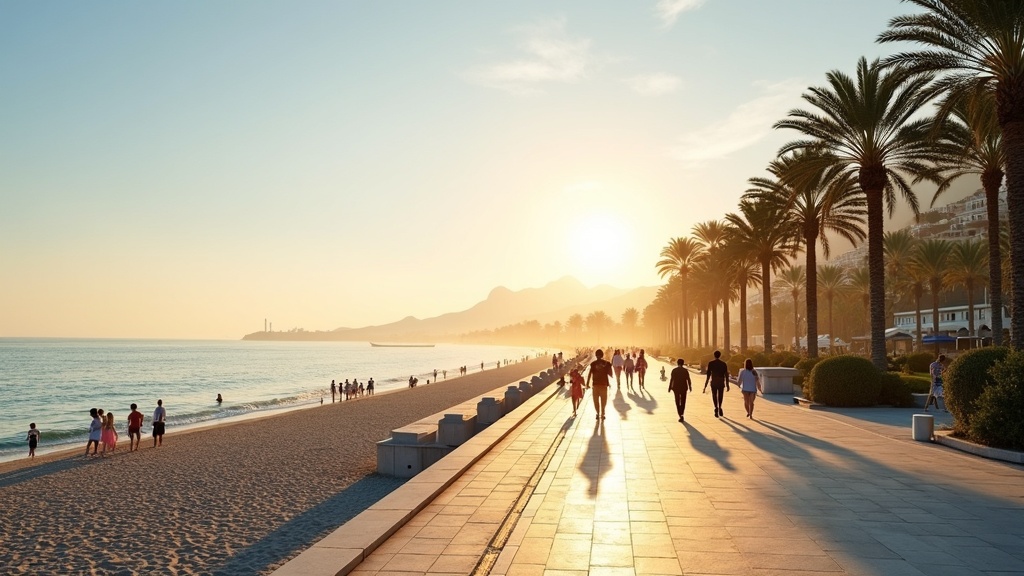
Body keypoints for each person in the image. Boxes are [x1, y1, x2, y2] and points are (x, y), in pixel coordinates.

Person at [585, 349, 613, 420]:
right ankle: (602, 414)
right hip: (603, 385)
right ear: (602, 355)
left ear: (596, 355)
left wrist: (587, 383)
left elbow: (589, 374)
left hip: (595, 385)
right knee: (604, 401)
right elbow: (610, 373)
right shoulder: (606, 363)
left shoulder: (593, 364)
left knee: (596, 401)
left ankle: (598, 413)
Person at [703, 350, 731, 418]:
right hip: (721, 381)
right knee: (720, 395)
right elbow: (726, 375)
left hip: (714, 381)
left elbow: (708, 375)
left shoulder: (711, 363)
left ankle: (716, 407)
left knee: (714, 395)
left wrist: (705, 385)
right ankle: (720, 407)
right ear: (720, 355)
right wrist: (727, 385)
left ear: (714, 355)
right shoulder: (723, 364)